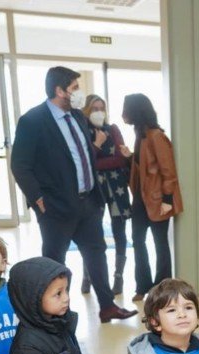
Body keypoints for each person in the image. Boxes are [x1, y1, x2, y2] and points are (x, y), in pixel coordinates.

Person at [10, 67, 137, 324]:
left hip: (88, 201)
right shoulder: (33, 120)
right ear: (60, 91)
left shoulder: (78, 116)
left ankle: (107, 306)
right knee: (55, 262)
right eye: (75, 88)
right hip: (55, 206)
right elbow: (20, 165)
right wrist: (38, 199)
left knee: (97, 253)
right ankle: (54, 313)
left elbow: (84, 154)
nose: (80, 92)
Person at [121, 93, 183, 303]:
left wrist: (167, 200)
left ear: (136, 111)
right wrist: (130, 157)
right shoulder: (141, 135)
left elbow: (168, 170)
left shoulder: (156, 136)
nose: (124, 114)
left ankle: (163, 287)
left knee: (160, 244)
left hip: (158, 200)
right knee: (138, 242)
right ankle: (142, 286)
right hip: (140, 199)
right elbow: (144, 167)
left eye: (126, 109)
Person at [79, 94, 132, 297]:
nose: (99, 112)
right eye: (94, 108)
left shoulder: (113, 129)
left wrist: (98, 163)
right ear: (86, 110)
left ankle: (118, 276)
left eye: (102, 108)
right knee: (92, 232)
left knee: (119, 230)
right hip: (94, 188)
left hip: (117, 187)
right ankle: (88, 275)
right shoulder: (82, 131)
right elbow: (84, 162)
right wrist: (98, 146)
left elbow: (120, 159)